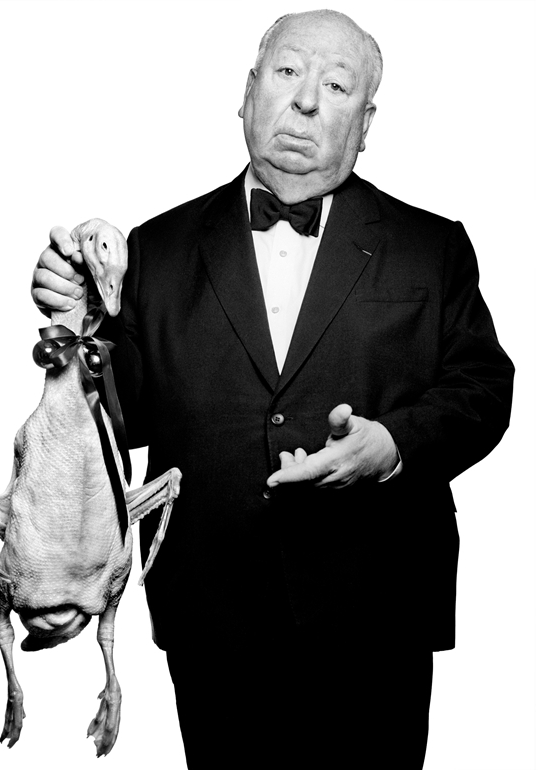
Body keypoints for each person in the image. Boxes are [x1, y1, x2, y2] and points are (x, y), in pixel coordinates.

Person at [31, 9, 514, 769]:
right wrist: (80, 332)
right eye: (288, 72)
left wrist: (391, 445)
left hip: (379, 611)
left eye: (337, 85)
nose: (307, 101)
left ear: (366, 123)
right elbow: (117, 425)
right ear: (248, 91)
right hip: (212, 613)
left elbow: (483, 389)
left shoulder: (433, 246)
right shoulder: (155, 248)